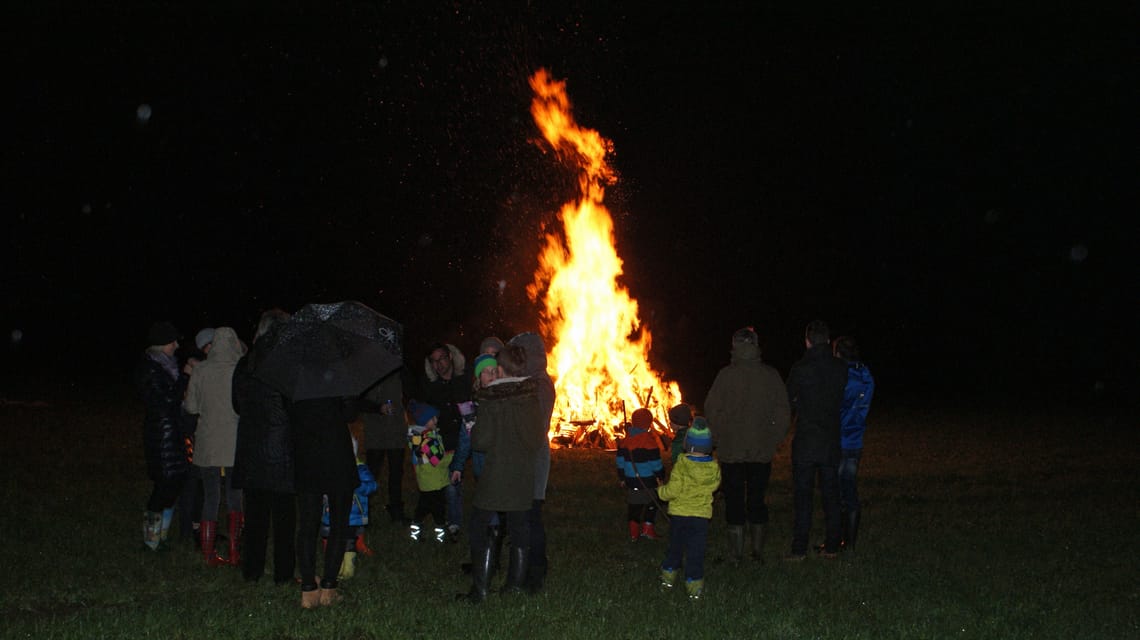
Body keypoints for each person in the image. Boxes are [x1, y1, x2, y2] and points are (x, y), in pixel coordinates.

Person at [461, 344, 546, 603]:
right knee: (520, 528)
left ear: (501, 368)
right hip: (522, 477)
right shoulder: (532, 398)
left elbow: (480, 442)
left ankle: (481, 590)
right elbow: (535, 440)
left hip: (495, 476)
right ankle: (514, 586)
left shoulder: (491, 398)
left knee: (480, 526)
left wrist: (474, 427)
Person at [703, 326, 791, 563]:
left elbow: (711, 411)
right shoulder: (770, 375)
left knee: (733, 498)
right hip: (761, 450)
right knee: (757, 498)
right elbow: (783, 412)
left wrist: (720, 437)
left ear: (734, 346)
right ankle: (757, 552)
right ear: (755, 345)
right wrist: (773, 438)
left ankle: (736, 554)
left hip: (731, 451)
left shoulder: (725, 376)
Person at [231, 309, 296, 584]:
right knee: (284, 520)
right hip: (284, 451)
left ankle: (252, 572)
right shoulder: (290, 363)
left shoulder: (246, 363)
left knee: (256, 517)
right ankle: (283, 575)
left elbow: (237, 404)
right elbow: (296, 406)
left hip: (253, 451)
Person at [785, 320, 849, 560]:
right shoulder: (840, 368)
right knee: (831, 494)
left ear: (808, 341)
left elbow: (789, 400)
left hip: (806, 441)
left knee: (803, 497)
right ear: (828, 341)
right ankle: (833, 545)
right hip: (830, 440)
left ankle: (799, 549)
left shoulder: (800, 368)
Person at [183, 326, 245, 567]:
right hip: (234, 442)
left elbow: (191, 407)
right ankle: (234, 551)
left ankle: (208, 554)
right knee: (235, 496)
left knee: (211, 496)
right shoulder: (239, 370)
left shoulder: (201, 370)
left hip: (208, 441)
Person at [291, 396, 359, 608]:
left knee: (308, 525)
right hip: (337, 453)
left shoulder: (299, 375)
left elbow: (291, 414)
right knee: (339, 523)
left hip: (308, 453)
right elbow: (350, 414)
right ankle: (329, 587)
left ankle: (309, 589)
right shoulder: (340, 374)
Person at [133, 321, 191, 551]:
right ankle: (151, 542)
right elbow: (166, 401)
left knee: (173, 483)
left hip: (171, 433)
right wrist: (184, 379)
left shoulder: (164, 365)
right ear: (161, 344)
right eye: (173, 341)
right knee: (165, 485)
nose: (177, 345)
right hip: (161, 435)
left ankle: (161, 538)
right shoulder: (150, 369)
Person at [507, 332, 556, 593]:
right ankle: (525, 568)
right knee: (523, 517)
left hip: (533, 458)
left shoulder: (539, 384)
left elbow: (536, 425)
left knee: (531, 518)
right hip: (522, 457)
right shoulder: (526, 381)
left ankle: (535, 572)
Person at [658, 418, 721, 600]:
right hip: (700, 518)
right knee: (696, 551)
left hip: (680, 516)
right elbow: (715, 485)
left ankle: (668, 578)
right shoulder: (713, 467)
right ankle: (694, 586)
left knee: (676, 547)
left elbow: (673, 490)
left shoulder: (682, 464)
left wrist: (661, 491)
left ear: (688, 446)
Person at [417, 343, 472, 539]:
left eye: (441, 359)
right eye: (434, 361)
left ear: (450, 357)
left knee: (454, 482)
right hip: (443, 441)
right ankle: (451, 522)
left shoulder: (464, 379)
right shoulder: (431, 386)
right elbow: (421, 409)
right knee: (448, 485)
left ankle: (454, 521)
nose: (438, 365)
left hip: (464, 438)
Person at [833, 335, 874, 551]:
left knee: (842, 492)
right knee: (848, 488)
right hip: (856, 440)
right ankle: (846, 541)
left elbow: (837, 408)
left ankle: (843, 542)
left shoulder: (843, 377)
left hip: (842, 440)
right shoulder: (866, 375)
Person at [323, 418, 377, 579]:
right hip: (331, 514)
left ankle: (348, 568)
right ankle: (335, 567)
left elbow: (372, 486)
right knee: (332, 540)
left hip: (353, 515)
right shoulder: (330, 470)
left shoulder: (359, 469)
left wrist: (356, 485)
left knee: (348, 542)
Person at [176, 327, 214, 547]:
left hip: (202, 432)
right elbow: (188, 406)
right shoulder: (194, 368)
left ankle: (197, 528)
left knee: (201, 484)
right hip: (191, 434)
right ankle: (186, 532)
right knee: (191, 483)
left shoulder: (204, 367)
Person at [360, 369, 411, 525]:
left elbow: (408, 395)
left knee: (396, 472)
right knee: (372, 473)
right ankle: (363, 512)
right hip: (375, 432)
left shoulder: (398, 372)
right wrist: (377, 408)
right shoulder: (366, 374)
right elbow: (358, 401)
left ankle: (396, 511)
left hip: (395, 430)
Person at [616, 407, 665, 542]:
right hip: (648, 481)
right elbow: (656, 464)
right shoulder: (649, 442)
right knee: (653, 503)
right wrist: (661, 475)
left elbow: (620, 462)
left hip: (631, 482)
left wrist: (622, 477)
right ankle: (648, 529)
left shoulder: (625, 441)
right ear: (648, 424)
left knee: (634, 506)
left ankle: (633, 534)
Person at [407, 402, 451, 543]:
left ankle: (416, 531)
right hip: (433, 480)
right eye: (433, 418)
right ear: (424, 420)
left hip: (430, 479)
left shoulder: (423, 436)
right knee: (437, 508)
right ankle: (441, 535)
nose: (436, 421)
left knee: (424, 506)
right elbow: (437, 460)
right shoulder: (425, 440)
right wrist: (453, 456)